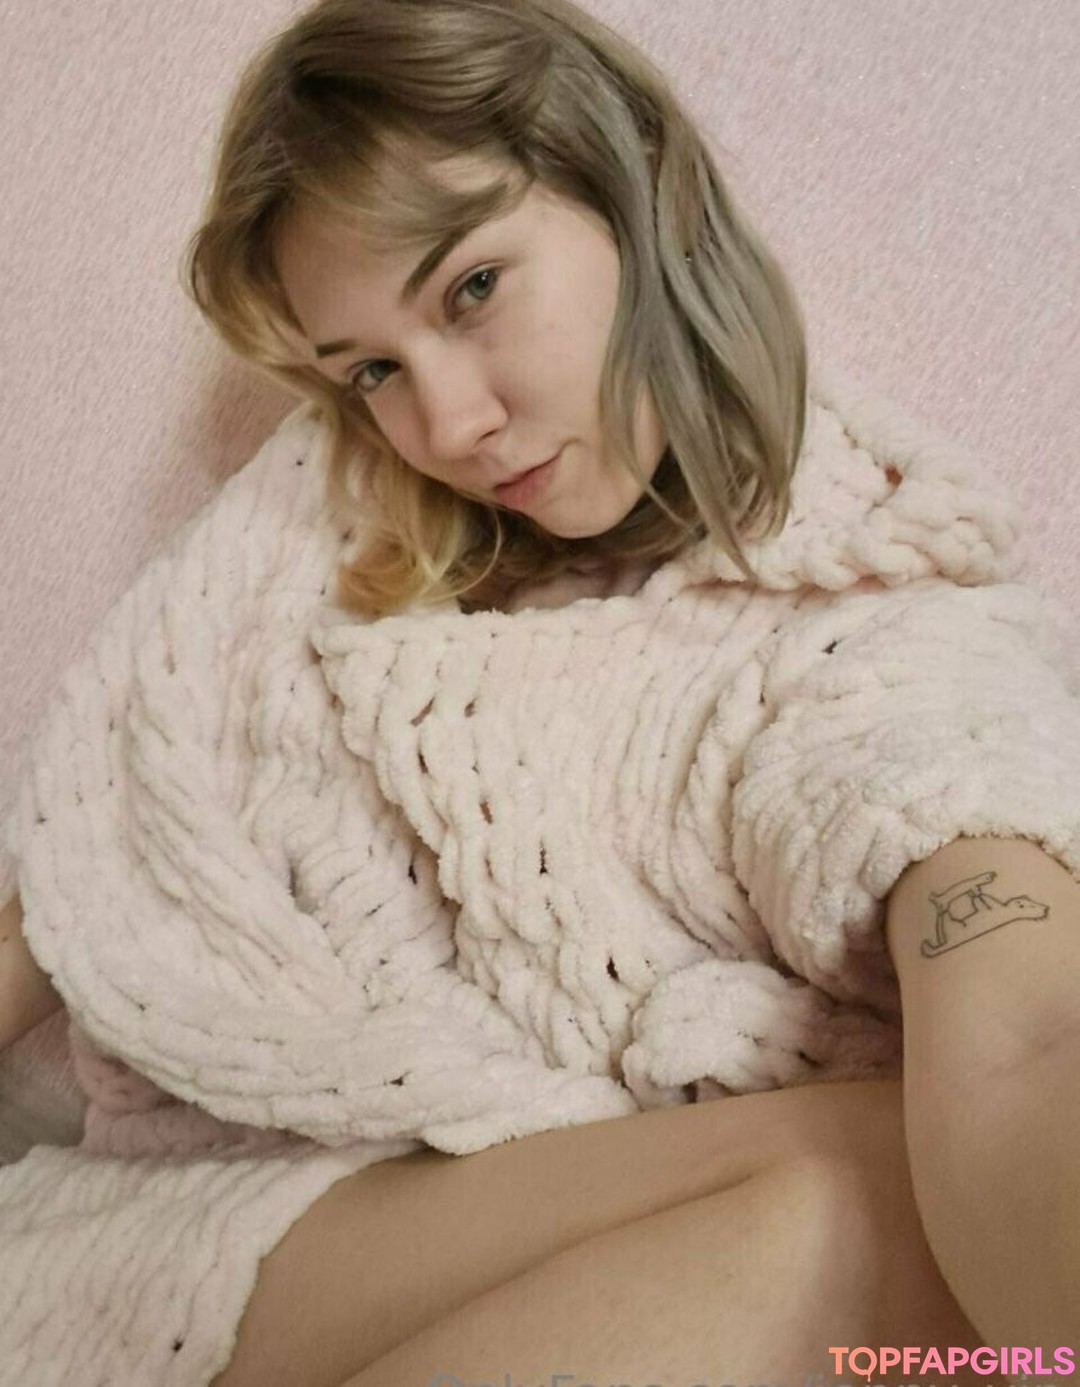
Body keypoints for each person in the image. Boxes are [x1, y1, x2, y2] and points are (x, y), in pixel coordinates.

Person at [3, 1, 1080, 1385]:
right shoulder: (326, 518)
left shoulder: (883, 623)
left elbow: (1024, 1023)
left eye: (471, 290)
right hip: (190, 1235)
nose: (448, 422)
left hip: (604, 1272)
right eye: (373, 370)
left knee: (895, 1195)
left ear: (632, 184)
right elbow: (74, 883)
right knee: (871, 1185)